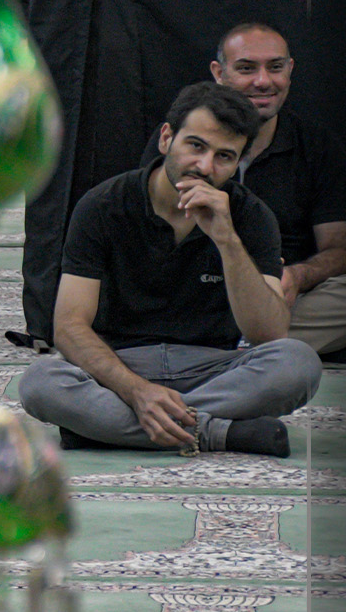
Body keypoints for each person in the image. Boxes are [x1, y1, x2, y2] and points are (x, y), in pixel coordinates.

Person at [18, 82, 322, 456]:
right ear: (166, 139)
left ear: (237, 164)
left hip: (210, 368)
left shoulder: (251, 216)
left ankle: (109, 428)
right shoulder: (102, 205)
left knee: (298, 363)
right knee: (40, 382)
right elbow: (68, 326)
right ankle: (217, 432)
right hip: (119, 365)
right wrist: (136, 392)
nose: (205, 166)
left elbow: (269, 333)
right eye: (196, 146)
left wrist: (226, 239)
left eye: (224, 156)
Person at [175, 24, 344, 355]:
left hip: (285, 298)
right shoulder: (183, 141)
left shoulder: (317, 146)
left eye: (275, 67)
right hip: (199, 292)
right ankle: (251, 343)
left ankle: (227, 345)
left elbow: (339, 248)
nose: (263, 81)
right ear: (219, 73)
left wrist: (298, 276)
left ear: (290, 70)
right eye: (246, 68)